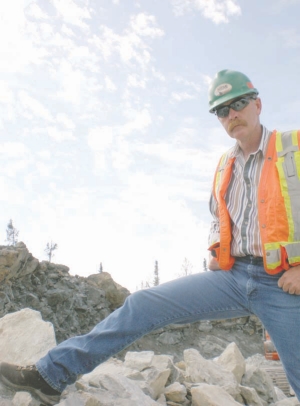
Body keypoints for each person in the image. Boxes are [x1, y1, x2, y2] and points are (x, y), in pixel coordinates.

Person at [1, 69, 300, 405]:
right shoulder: (224, 165)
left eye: (239, 103)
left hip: (282, 283)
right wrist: (219, 251)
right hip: (233, 277)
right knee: (142, 305)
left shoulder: (294, 148)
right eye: (221, 110)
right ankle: (51, 375)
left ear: (257, 104)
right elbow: (220, 218)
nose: (232, 114)